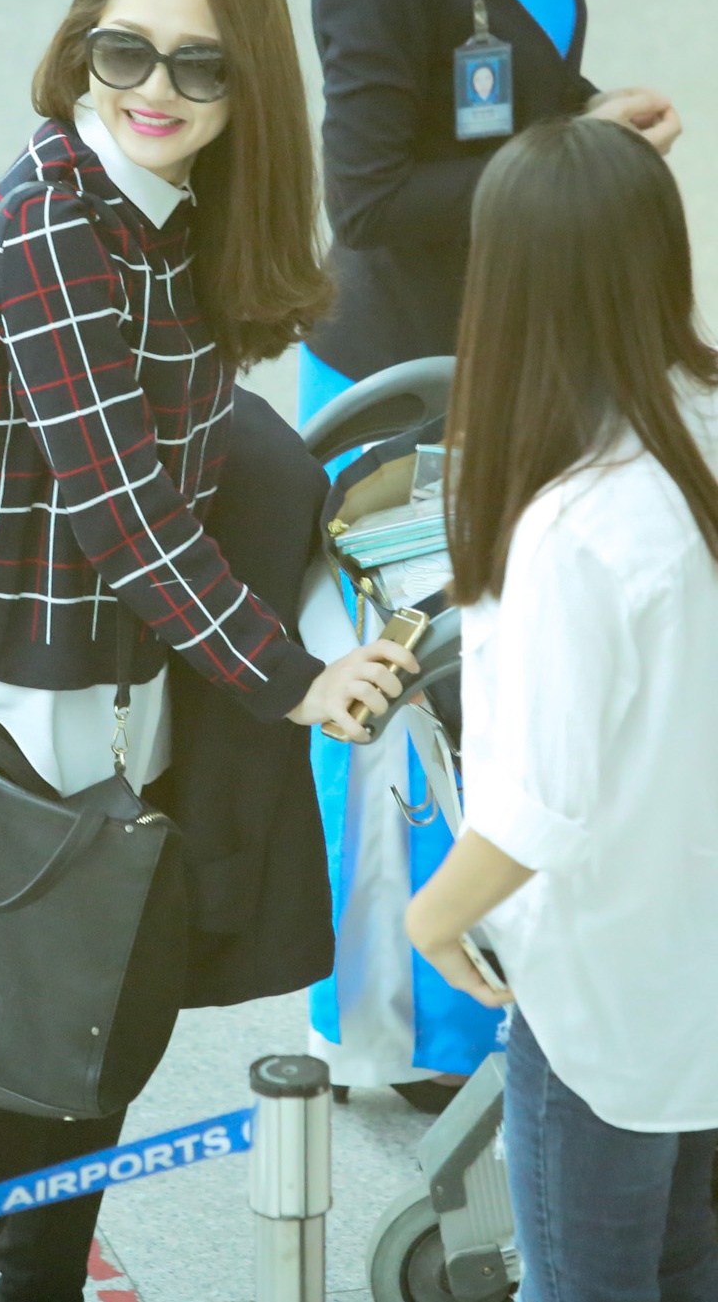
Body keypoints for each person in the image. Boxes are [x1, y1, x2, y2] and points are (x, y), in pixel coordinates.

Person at [0, 0, 420, 1300]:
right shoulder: (51, 223)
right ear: (81, 50)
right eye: (126, 51)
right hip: (27, 694)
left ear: (248, 87)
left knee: (97, 1046)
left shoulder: (162, 208)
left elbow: (193, 438)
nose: (155, 89)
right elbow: (124, 509)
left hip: (113, 674)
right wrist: (293, 675)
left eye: (199, 64)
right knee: (20, 1068)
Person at [299, 0, 683, 1111]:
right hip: (411, 374)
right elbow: (366, 199)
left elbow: (508, 80)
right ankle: (407, 1032)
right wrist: (565, 163)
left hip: (512, 338)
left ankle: (484, 992)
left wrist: (587, 118)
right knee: (414, 708)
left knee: (512, 694)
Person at [406, 115, 718, 1301]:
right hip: (693, 964)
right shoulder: (697, 419)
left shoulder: (573, 527)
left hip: (600, 1000)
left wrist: (431, 919)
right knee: (685, 1258)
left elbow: (538, 811)